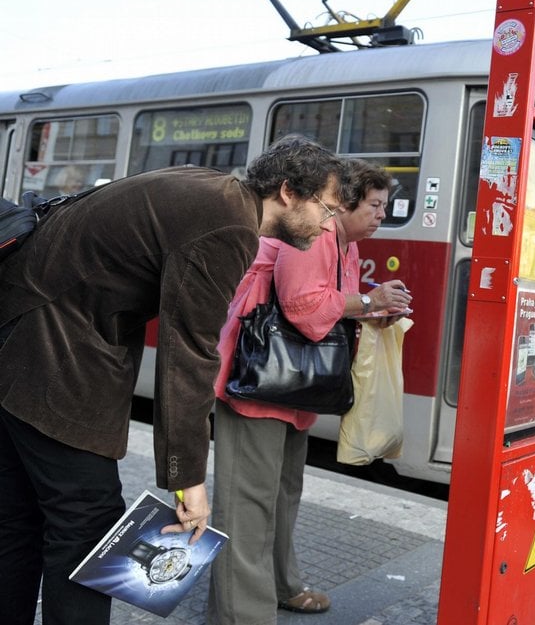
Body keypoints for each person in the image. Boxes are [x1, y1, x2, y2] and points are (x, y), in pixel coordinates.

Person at [0, 134, 348, 625]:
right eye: (327, 209)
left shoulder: (213, 190)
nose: (328, 224)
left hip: (21, 332)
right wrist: (189, 481)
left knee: (20, 517)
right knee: (86, 521)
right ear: (289, 191)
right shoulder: (227, 225)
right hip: (52, 353)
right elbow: (188, 354)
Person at [206, 158, 411, 624]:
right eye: (375, 205)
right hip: (261, 383)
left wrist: (372, 311)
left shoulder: (346, 245)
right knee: (248, 504)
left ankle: (281, 584)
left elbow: (333, 305)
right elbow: (302, 305)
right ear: (347, 205)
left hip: (292, 386)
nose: (382, 214)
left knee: (281, 494)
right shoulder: (316, 236)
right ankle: (243, 615)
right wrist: (366, 302)